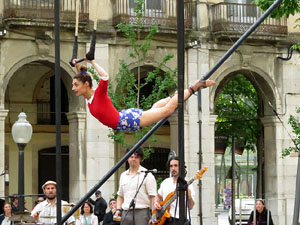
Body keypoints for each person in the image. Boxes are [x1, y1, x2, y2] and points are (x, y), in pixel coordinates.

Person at [72, 59, 216, 132]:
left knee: (167, 110)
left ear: (86, 85)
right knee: (155, 109)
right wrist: (78, 65)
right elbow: (85, 75)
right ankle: (176, 96)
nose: (73, 88)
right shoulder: (88, 97)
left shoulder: (99, 94)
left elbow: (104, 76)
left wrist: (91, 61)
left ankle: (194, 88)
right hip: (125, 118)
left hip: (126, 120)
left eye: (76, 85)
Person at [114, 148, 157, 225]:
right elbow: (120, 196)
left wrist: (154, 215)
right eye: (131, 157)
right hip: (126, 213)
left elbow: (153, 197)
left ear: (141, 159)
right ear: (127, 158)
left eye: (136, 157)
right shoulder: (123, 175)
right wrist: (118, 210)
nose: (133, 159)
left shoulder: (147, 175)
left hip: (142, 212)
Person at [153, 156, 195, 225]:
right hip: (165, 219)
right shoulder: (165, 182)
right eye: (171, 166)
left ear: (181, 167)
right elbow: (158, 196)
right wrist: (156, 203)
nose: (173, 168)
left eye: (176, 166)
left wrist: (189, 195)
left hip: (181, 220)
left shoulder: (188, 185)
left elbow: (190, 206)